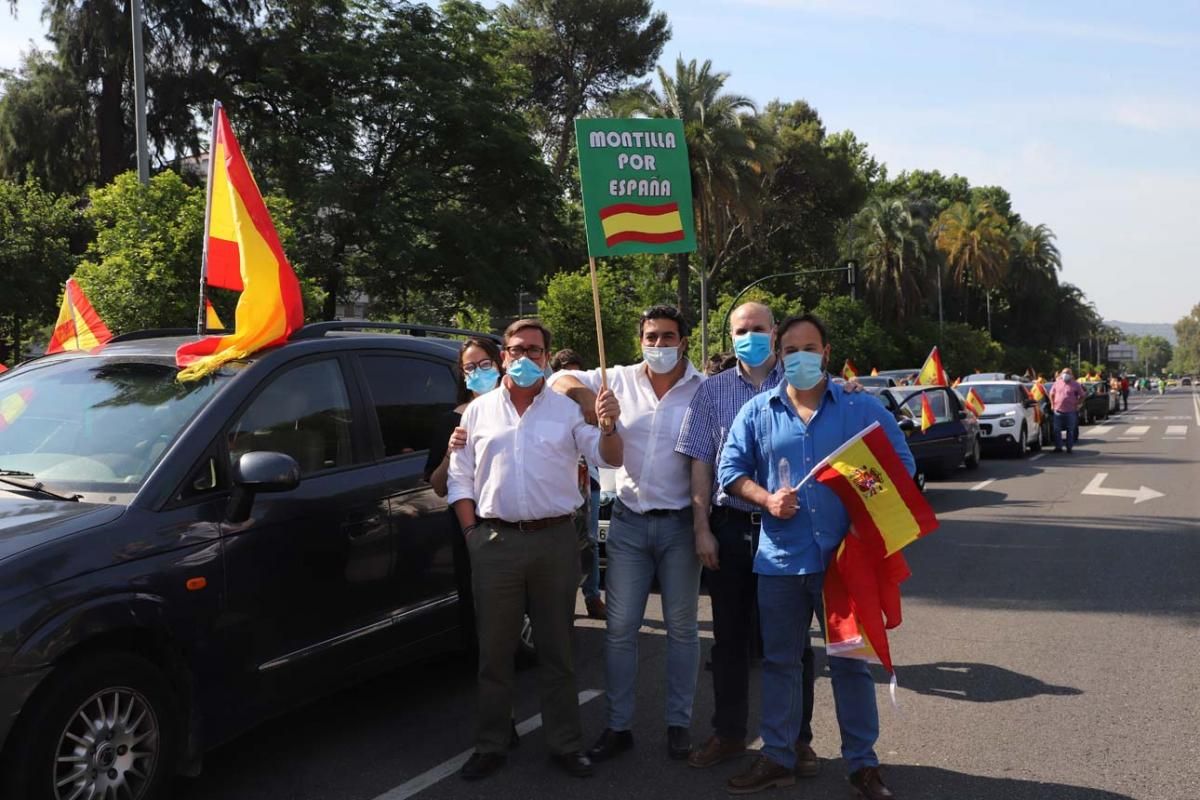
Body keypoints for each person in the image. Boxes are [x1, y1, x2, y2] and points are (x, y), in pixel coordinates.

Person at [716, 313, 914, 800]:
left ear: (826, 352)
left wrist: (861, 505)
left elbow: (901, 467)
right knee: (781, 662)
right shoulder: (758, 412)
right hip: (781, 562)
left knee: (849, 664)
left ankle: (862, 765)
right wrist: (765, 499)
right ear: (779, 357)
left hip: (845, 566)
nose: (800, 357)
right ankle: (779, 757)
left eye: (810, 347)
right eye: (790, 350)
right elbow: (729, 471)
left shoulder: (857, 408)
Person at [447, 319, 623, 781]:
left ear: (548, 357)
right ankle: (491, 743)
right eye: (517, 349)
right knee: (495, 652)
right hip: (494, 541)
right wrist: (472, 535)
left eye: (536, 351)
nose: (525, 358)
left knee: (557, 649)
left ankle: (566, 743)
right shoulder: (478, 411)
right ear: (503, 354)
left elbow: (609, 457)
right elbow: (459, 478)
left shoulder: (565, 411)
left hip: (555, 541)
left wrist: (608, 423)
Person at [548, 305, 706, 763]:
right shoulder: (617, 378)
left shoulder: (703, 388)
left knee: (682, 629)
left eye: (668, 336)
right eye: (651, 336)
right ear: (640, 339)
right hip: (630, 523)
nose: (658, 345)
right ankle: (618, 726)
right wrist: (591, 404)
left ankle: (679, 725)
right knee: (619, 630)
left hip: (680, 525)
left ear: (684, 342)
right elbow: (560, 380)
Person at [674, 302, 820, 775]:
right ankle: (730, 733)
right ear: (729, 336)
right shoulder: (710, 392)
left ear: (774, 332)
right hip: (732, 528)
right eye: (742, 330)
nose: (751, 336)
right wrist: (702, 529)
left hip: (790, 532)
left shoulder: (803, 383)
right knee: (730, 641)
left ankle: (799, 740)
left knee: (793, 643)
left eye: (759, 328)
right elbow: (701, 462)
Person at [550, 348, 607, 621]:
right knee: (562, 545)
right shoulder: (550, 401)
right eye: (566, 372)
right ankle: (561, 601)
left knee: (590, 541)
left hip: (588, 481)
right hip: (559, 482)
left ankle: (593, 594)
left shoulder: (590, 402)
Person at [1049, 367, 1086, 453]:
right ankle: (1058, 447)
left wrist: (1078, 403)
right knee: (1056, 430)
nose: (1065, 374)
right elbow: (1051, 393)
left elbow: (1083, 395)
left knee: (1070, 430)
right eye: (1064, 373)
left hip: (1071, 411)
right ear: (1061, 374)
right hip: (1058, 410)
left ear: (1071, 375)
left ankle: (1069, 447)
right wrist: (1052, 404)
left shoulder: (1076, 384)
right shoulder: (1057, 383)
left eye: (1067, 373)